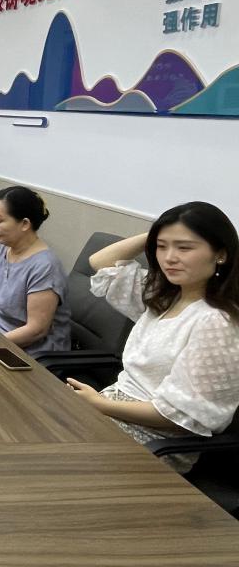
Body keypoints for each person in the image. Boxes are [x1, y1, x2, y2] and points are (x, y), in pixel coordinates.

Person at [71, 202, 239, 472]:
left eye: (184, 248)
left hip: (154, 440)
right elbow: (100, 263)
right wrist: (157, 232)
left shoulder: (216, 322)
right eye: (162, 247)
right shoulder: (164, 294)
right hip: (111, 408)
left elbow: (178, 417)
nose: (169, 257)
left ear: (220, 254)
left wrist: (99, 405)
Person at [0, 186, 71, 356]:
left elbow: (36, 330)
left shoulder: (45, 267)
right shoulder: (0, 249)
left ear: (25, 224)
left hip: (32, 352)